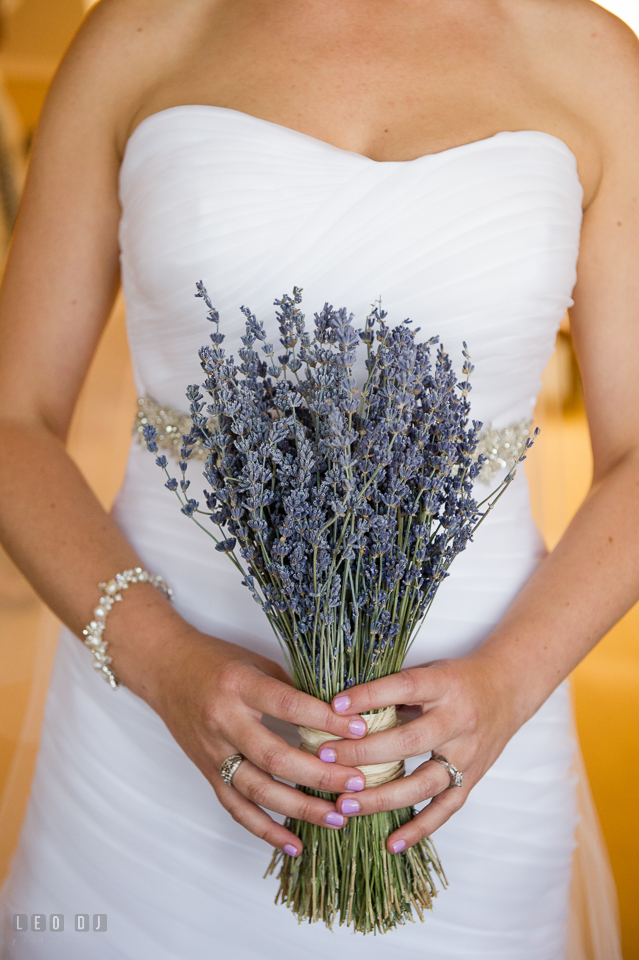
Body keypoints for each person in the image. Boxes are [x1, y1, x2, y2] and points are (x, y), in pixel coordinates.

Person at [0, 0, 636, 956]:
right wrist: (162, 664)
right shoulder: (139, 33)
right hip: (148, 727)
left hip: (461, 750)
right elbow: (14, 422)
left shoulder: (592, 58)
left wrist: (504, 688)